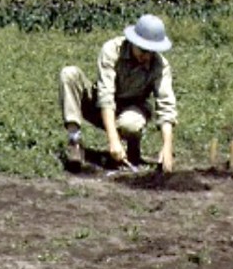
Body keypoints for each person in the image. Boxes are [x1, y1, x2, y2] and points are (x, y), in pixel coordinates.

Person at [58, 14, 176, 172]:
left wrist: (167, 147)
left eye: (151, 51)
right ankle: (74, 142)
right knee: (69, 74)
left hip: (132, 108)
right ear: (133, 41)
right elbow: (105, 96)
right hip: (100, 104)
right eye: (143, 49)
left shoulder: (160, 65)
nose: (146, 56)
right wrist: (113, 140)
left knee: (131, 124)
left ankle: (132, 147)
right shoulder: (111, 50)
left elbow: (166, 105)